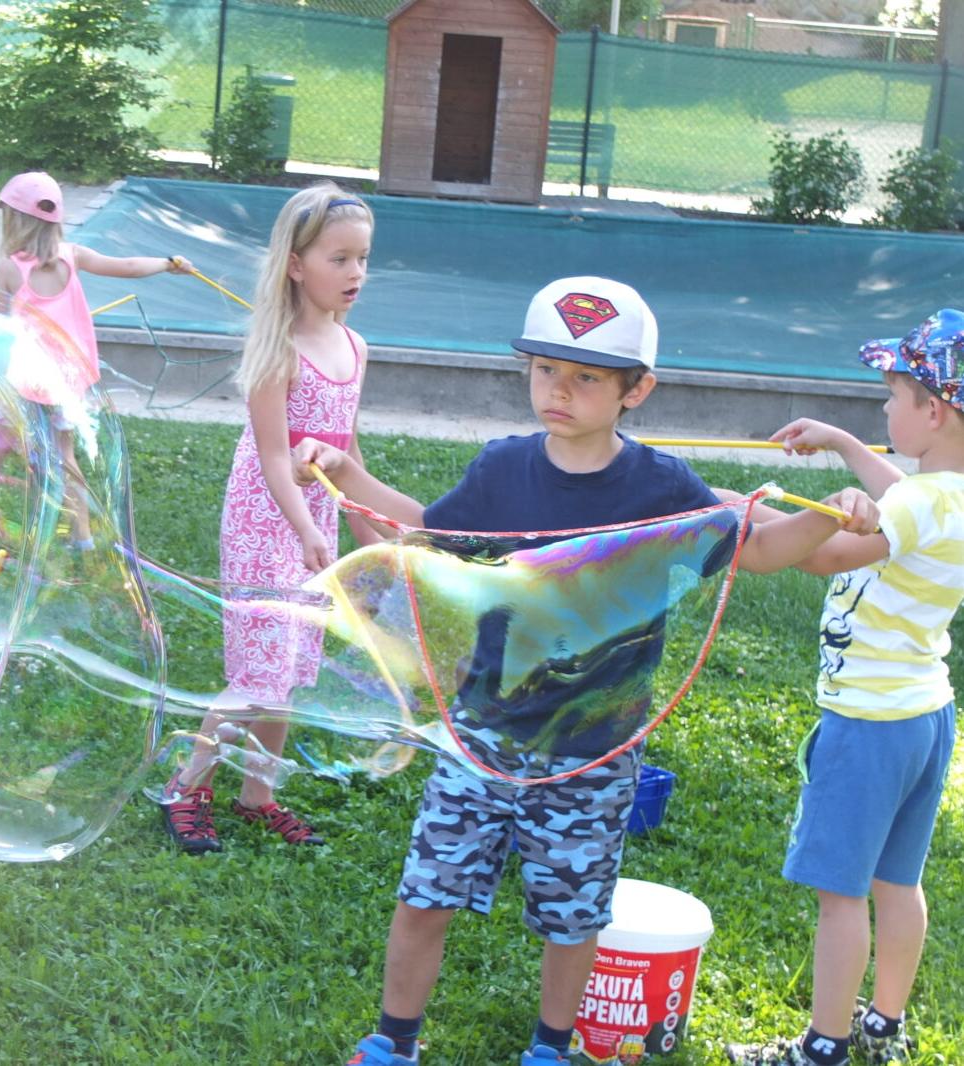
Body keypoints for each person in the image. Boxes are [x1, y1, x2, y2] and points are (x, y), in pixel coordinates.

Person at [289, 275, 876, 1066]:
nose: (558, 390)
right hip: (482, 734)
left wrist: (826, 514)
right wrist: (343, 471)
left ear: (638, 389)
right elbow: (426, 535)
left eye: (586, 377)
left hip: (594, 747)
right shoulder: (503, 469)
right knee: (426, 896)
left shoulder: (662, 487)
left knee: (572, 916)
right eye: (543, 370)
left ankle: (550, 1047)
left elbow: (763, 551)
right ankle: (395, 1040)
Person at [724, 309, 964, 1066]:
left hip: (865, 726)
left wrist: (752, 513)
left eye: (892, 397)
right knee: (898, 883)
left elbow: (826, 557)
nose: (885, 410)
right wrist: (845, 444)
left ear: (934, 409)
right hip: (925, 717)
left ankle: (821, 1047)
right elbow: (904, 497)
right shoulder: (946, 495)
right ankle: (883, 1028)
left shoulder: (918, 505)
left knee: (841, 894)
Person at [158, 182, 378, 854]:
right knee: (259, 670)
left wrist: (365, 531)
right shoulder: (278, 350)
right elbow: (274, 457)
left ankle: (258, 796)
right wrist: (308, 531)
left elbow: (348, 448)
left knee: (291, 663)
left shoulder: (355, 346)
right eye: (339, 259)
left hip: (316, 518)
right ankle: (184, 789)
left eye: (363, 259)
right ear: (295, 264)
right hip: (265, 519)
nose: (355, 274)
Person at [0, 171, 193, 547]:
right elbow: (129, 267)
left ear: (15, 222)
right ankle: (82, 535)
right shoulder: (75, 256)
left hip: (27, 383)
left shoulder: (11, 268)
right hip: (68, 381)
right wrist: (168, 262)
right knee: (64, 455)